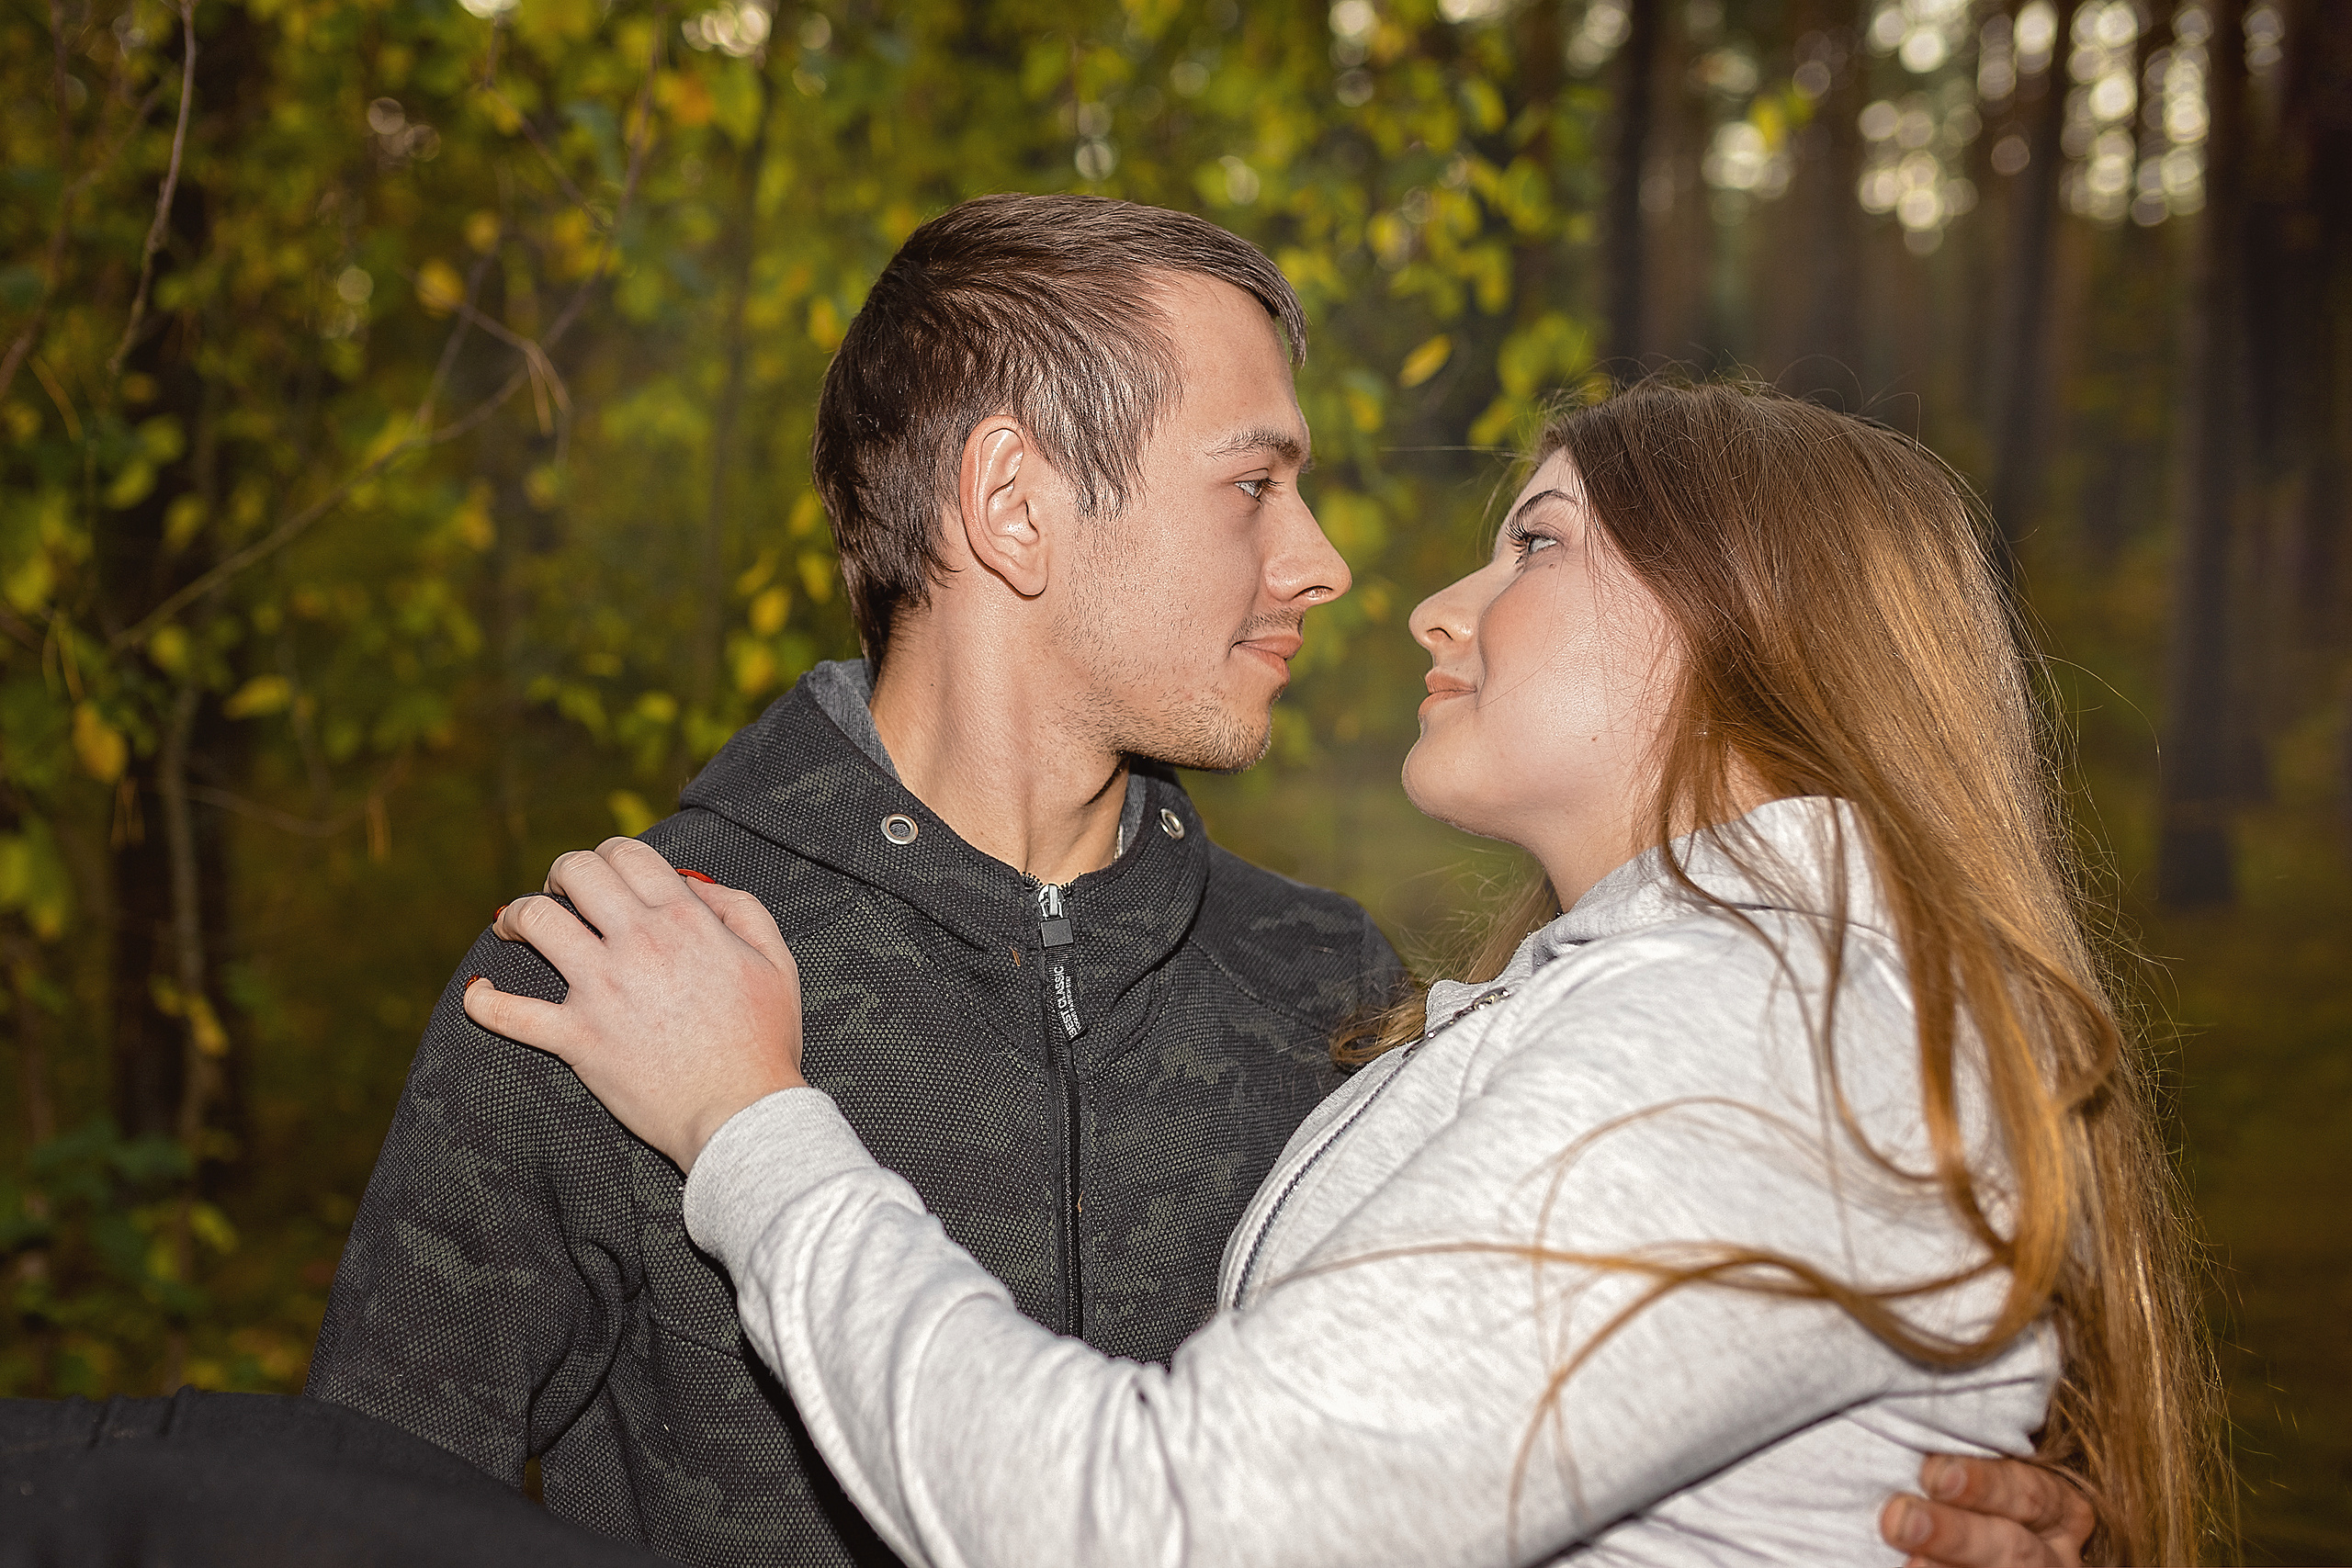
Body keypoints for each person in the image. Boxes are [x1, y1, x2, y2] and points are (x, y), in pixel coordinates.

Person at [312, 193, 2088, 1567]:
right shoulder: (622, 967)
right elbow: (352, 1522)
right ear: (1014, 505)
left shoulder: (1342, 999)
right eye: (1257, 485)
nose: (1327, 568)